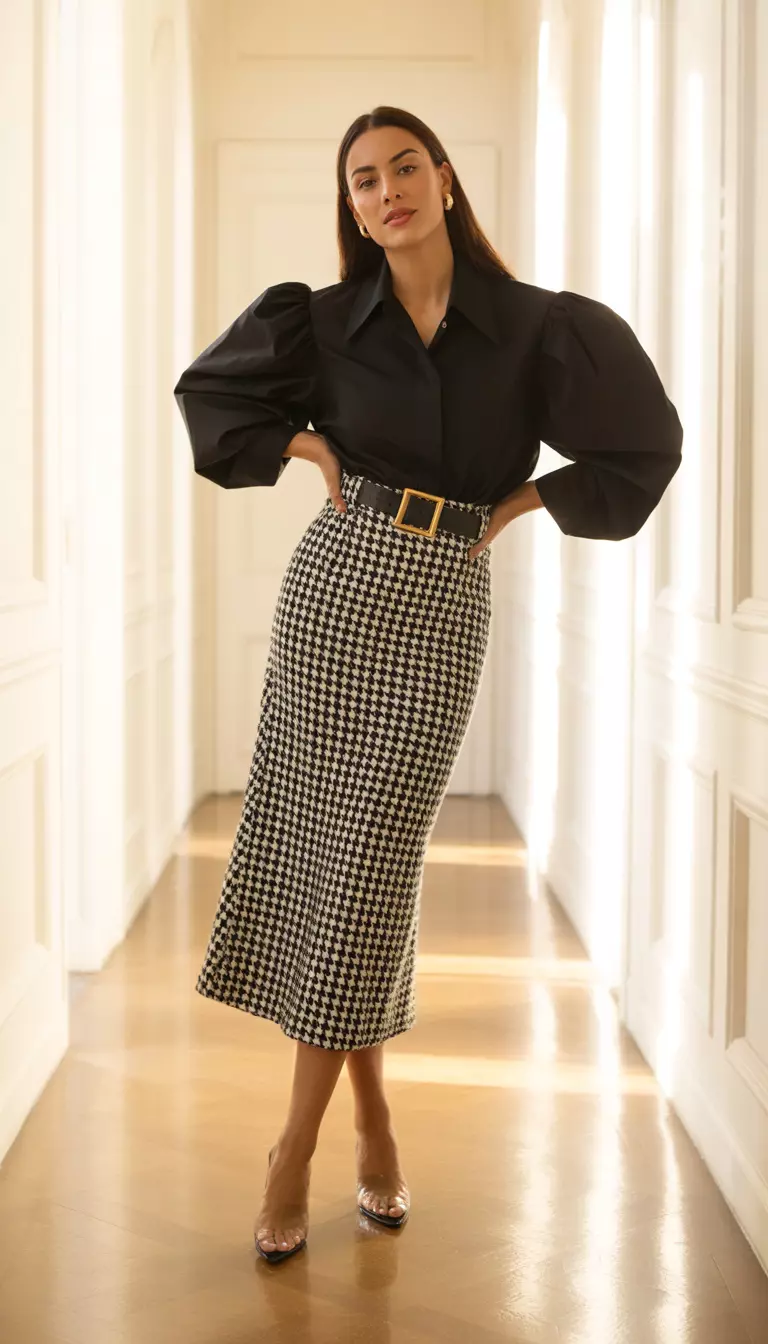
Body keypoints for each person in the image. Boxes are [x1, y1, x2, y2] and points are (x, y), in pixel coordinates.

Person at [173, 105, 683, 1264]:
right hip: (336, 592)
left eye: (407, 166)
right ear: (350, 205)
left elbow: (641, 443)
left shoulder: (542, 329)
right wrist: (307, 449)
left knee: (371, 867)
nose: (386, 191)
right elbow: (210, 399)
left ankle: (305, 1144)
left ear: (446, 180)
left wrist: (515, 506)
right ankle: (356, 1129)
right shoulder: (319, 320)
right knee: (335, 865)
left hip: (444, 601)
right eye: (363, 179)